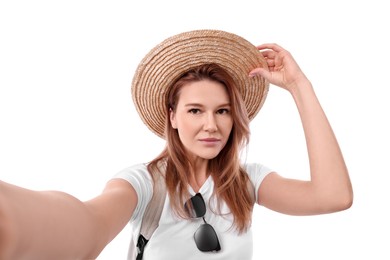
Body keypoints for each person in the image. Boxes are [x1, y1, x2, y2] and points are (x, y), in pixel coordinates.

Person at [0, 29, 353, 260]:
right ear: (172, 116)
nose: (211, 125)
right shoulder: (144, 183)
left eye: (223, 111)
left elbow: (334, 196)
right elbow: (88, 224)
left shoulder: (247, 182)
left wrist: (299, 87)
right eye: (195, 110)